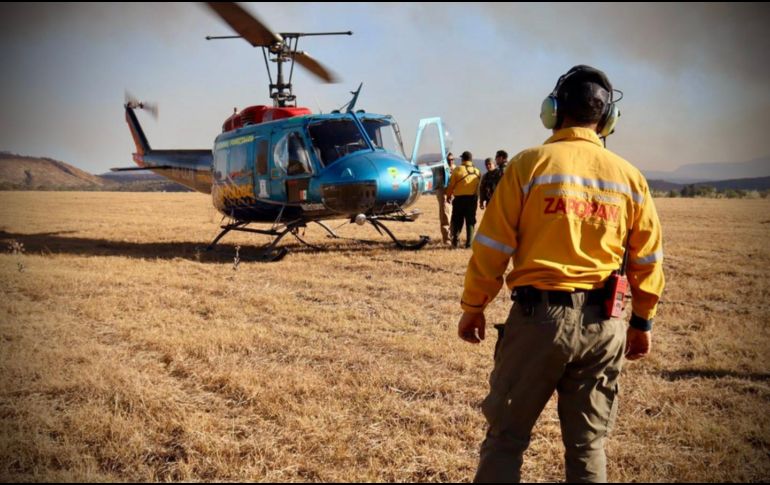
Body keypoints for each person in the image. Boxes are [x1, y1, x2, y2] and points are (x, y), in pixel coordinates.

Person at [457, 65, 665, 483]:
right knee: (588, 447)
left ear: (552, 111)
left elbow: (493, 247)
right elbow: (647, 260)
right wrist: (641, 322)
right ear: (608, 120)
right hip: (606, 324)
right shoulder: (630, 178)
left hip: (539, 321)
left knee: (506, 440)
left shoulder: (528, 165)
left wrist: (473, 307)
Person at [446, 151, 481, 248]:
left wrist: (448, 196)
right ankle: (469, 244)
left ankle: (455, 242)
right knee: (470, 221)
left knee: (457, 220)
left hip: (459, 199)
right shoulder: (477, 171)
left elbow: (451, 185)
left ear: (463, 159)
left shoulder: (458, 169)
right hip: (472, 199)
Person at [436, 152, 455, 244]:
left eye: (452, 159)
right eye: (448, 160)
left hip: (455, 195)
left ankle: (454, 237)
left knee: (454, 217)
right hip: (444, 195)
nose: (451, 161)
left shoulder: (456, 168)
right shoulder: (440, 169)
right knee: (445, 217)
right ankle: (446, 239)